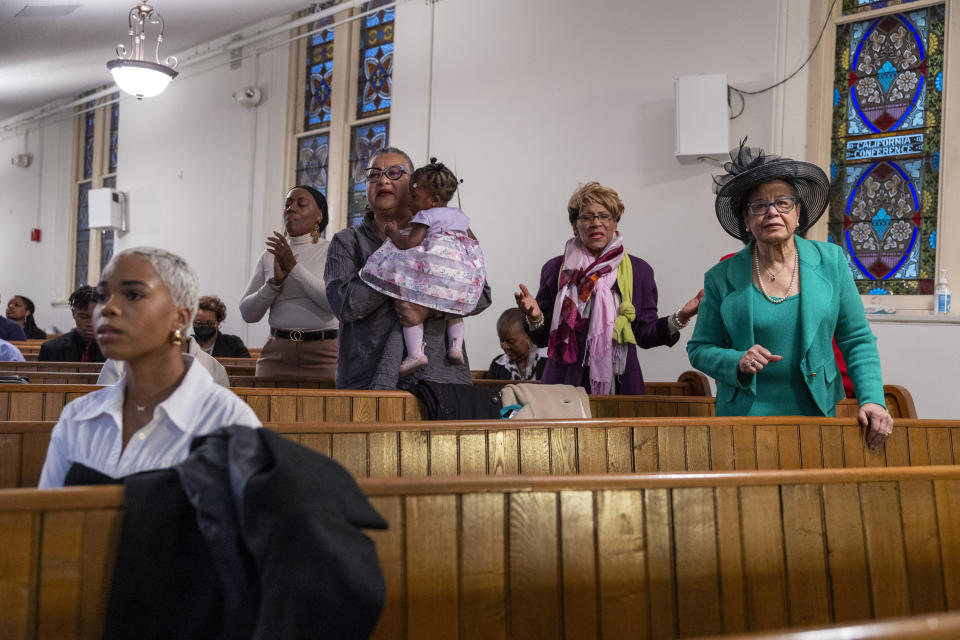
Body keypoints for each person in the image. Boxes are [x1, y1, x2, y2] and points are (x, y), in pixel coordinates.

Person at [686, 142, 893, 449]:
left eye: (782, 203)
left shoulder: (831, 262)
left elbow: (856, 339)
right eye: (758, 206)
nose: (772, 212)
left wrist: (873, 398)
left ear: (798, 213)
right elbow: (699, 348)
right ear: (746, 220)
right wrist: (736, 360)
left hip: (815, 411)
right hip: (742, 418)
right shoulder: (720, 277)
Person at [38, 247, 261, 488]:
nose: (108, 308)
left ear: (181, 318)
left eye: (133, 295)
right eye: (103, 296)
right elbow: (47, 518)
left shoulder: (227, 421)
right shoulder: (78, 417)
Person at [325, 147, 491, 389]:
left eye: (394, 173)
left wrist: (428, 309)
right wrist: (403, 271)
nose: (382, 179)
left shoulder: (449, 235)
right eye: (373, 174)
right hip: (367, 373)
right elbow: (345, 305)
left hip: (439, 376)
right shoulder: (347, 241)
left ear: (415, 185)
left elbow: (481, 295)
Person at [515, 182, 702, 395]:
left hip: (620, 386)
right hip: (563, 385)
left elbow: (644, 334)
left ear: (615, 223)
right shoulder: (556, 269)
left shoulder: (639, 271)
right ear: (575, 225)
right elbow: (542, 339)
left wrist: (681, 317)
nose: (596, 223)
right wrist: (535, 316)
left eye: (604, 216)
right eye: (587, 217)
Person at [360, 158, 485, 375]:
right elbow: (474, 242)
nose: (410, 200)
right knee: (455, 308)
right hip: (459, 274)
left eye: (414, 196)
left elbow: (409, 244)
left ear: (434, 199)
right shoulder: (460, 216)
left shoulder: (425, 215)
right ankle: (455, 347)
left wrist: (392, 233)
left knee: (408, 298)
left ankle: (416, 352)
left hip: (433, 271)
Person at [240, 186, 339, 378]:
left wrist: (294, 268)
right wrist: (274, 284)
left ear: (320, 215)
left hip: (324, 354)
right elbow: (247, 313)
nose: (291, 208)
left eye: (301, 204)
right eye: (288, 204)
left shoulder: (332, 251)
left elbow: (334, 304)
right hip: (276, 353)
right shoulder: (269, 256)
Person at [38, 286, 105, 362]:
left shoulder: (115, 351)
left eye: (97, 317)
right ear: (73, 313)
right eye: (83, 316)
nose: (90, 324)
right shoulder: (50, 349)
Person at [486, 308, 547, 381]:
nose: (505, 346)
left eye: (511, 341)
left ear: (530, 337)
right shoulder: (498, 364)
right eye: (502, 340)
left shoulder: (548, 362)